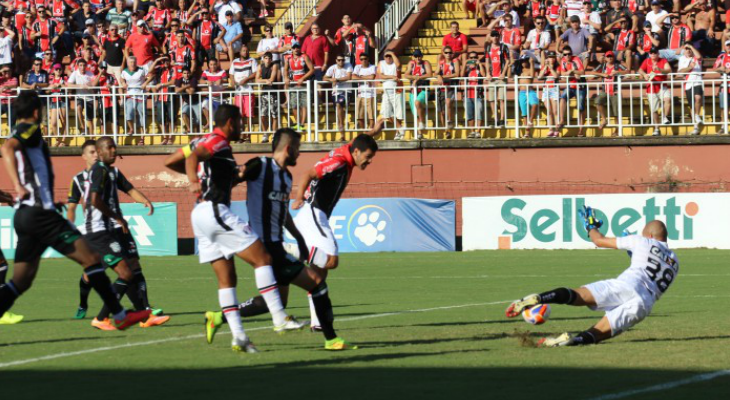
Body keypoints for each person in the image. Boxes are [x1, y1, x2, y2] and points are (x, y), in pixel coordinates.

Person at [0, 91, 150, 330]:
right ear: (37, 111)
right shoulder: (30, 130)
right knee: (91, 259)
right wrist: (18, 185)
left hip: (26, 215)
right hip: (40, 215)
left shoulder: (29, 134)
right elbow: (8, 147)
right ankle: (119, 315)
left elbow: (32, 169)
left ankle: (118, 315)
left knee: (21, 280)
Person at [165, 104, 306, 353]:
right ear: (231, 123)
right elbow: (191, 157)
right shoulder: (218, 141)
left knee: (227, 280)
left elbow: (173, 160)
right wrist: (194, 180)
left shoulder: (205, 141)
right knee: (262, 258)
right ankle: (279, 317)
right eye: (240, 122)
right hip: (215, 210)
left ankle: (239, 337)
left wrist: (203, 174)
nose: (242, 127)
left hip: (201, 215)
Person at [204, 128, 358, 350]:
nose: (299, 153)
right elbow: (231, 181)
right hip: (264, 247)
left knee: (277, 302)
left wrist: (299, 238)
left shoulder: (286, 177)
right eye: (297, 148)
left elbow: (282, 213)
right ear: (288, 148)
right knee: (317, 284)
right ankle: (331, 339)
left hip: (277, 245)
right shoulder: (259, 165)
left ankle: (218, 317)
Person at [506, 209, 678, 347]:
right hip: (643, 304)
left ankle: (540, 298)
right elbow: (650, 268)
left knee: (578, 295)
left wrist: (590, 226)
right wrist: (633, 252)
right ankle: (571, 341)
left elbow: (599, 240)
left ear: (648, 235)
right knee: (598, 333)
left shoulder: (641, 241)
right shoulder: (675, 262)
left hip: (627, 285)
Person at [288, 133, 379, 332]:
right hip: (313, 212)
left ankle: (317, 322)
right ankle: (290, 250)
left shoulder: (348, 152)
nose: (370, 161)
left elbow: (360, 142)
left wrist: (373, 131)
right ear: (356, 151)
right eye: (368, 156)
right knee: (330, 260)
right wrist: (297, 198)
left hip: (313, 214)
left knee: (319, 272)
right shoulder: (338, 162)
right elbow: (308, 174)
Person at [638, 47, 672, 136]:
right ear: (649, 54)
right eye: (651, 53)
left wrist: (659, 69)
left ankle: (664, 117)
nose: (653, 54)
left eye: (654, 53)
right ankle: (657, 128)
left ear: (658, 54)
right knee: (654, 110)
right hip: (651, 88)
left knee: (668, 99)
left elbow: (669, 70)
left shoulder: (663, 60)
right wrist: (644, 74)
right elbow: (640, 70)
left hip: (662, 85)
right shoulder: (647, 61)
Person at [593, 51, 627, 137]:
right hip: (605, 91)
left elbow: (627, 70)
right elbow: (593, 72)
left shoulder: (617, 65)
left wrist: (617, 72)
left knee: (616, 113)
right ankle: (604, 119)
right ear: (605, 58)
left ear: (614, 57)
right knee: (597, 101)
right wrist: (602, 74)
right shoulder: (602, 66)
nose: (610, 58)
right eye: (608, 56)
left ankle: (616, 130)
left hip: (615, 91)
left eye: (611, 56)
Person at [229, 43, 257, 140]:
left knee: (249, 114)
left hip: (248, 91)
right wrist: (232, 82)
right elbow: (231, 74)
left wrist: (246, 79)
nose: (246, 52)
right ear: (240, 52)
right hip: (238, 92)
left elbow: (255, 73)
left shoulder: (252, 60)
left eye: (247, 50)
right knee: (239, 115)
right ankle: (241, 134)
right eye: (244, 51)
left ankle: (248, 135)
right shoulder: (235, 62)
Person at [282, 43, 313, 132]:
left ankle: (302, 124)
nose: (296, 49)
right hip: (294, 84)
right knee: (294, 105)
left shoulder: (304, 56)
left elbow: (311, 69)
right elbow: (285, 69)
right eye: (294, 47)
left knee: (304, 105)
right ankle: (298, 123)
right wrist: (286, 78)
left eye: (297, 47)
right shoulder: (288, 58)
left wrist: (303, 78)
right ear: (291, 49)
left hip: (303, 84)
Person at [557, 46, 588, 137]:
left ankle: (581, 129)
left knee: (581, 107)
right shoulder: (563, 61)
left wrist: (573, 71)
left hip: (580, 86)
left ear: (571, 54)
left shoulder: (576, 59)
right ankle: (562, 120)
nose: (567, 56)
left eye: (569, 54)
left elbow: (582, 72)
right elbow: (562, 73)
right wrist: (571, 73)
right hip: (571, 85)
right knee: (562, 98)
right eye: (565, 54)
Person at [379, 49, 408, 140]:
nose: (388, 57)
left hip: (397, 90)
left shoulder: (395, 62)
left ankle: (397, 133)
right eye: (386, 56)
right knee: (385, 113)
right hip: (386, 91)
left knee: (398, 113)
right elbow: (380, 76)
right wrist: (391, 77)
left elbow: (399, 65)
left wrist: (391, 53)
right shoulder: (381, 63)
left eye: (390, 56)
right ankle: (400, 127)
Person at [484, 30, 511, 128]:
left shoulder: (503, 47)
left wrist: (503, 73)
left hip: (500, 77)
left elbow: (508, 60)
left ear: (499, 37)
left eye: (496, 36)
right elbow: (487, 61)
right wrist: (487, 73)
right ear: (490, 37)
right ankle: (496, 118)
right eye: (493, 36)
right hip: (492, 77)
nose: (495, 37)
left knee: (502, 99)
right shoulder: (488, 48)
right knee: (491, 99)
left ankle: (503, 118)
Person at [120, 55, 150, 143]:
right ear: (127, 63)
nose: (132, 64)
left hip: (140, 96)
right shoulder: (125, 71)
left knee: (142, 117)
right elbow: (121, 79)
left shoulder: (142, 70)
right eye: (130, 62)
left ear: (136, 63)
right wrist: (123, 83)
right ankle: (131, 128)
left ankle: (142, 138)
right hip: (130, 95)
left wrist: (146, 83)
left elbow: (151, 76)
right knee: (128, 114)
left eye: (133, 62)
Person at [324, 53, 353, 141]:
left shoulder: (348, 65)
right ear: (336, 61)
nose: (341, 62)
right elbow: (324, 77)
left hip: (346, 91)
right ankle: (342, 129)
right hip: (335, 92)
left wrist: (337, 80)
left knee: (339, 105)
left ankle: (341, 129)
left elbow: (349, 76)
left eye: (343, 60)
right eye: (339, 60)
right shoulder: (332, 68)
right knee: (339, 109)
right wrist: (331, 79)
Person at [68, 58, 100, 135]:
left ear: (86, 66)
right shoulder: (75, 73)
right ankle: (83, 127)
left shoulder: (90, 73)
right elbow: (69, 84)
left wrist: (89, 85)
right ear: (78, 66)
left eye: (84, 65)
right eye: (80, 65)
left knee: (90, 119)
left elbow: (94, 83)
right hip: (80, 96)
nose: (82, 67)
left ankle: (92, 137)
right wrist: (80, 86)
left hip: (89, 97)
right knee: (78, 108)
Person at [677, 44, 704, 135]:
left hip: (697, 81)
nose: (688, 51)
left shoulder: (696, 57)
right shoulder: (682, 59)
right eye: (686, 49)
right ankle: (696, 127)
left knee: (698, 98)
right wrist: (690, 67)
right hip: (688, 83)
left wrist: (691, 46)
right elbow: (680, 72)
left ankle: (696, 116)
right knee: (692, 105)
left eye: (689, 49)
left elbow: (699, 57)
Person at [255, 52, 280, 142]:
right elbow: (256, 80)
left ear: (271, 59)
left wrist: (264, 80)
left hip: (273, 93)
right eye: (266, 58)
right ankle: (265, 134)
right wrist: (265, 80)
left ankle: (274, 134)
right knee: (263, 115)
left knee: (274, 115)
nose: (268, 60)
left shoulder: (274, 66)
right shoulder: (260, 67)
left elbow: (272, 79)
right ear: (263, 59)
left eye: (269, 58)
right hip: (264, 93)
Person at [436, 46, 460, 137]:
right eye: (446, 52)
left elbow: (457, 73)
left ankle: (450, 120)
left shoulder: (455, 61)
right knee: (442, 112)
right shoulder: (441, 62)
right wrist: (438, 76)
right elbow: (436, 72)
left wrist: (443, 77)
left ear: (452, 54)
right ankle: (446, 130)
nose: (448, 54)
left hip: (451, 87)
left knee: (448, 102)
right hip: (441, 88)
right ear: (443, 53)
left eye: (450, 52)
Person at [462, 51, 487, 139]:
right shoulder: (467, 69)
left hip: (478, 94)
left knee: (479, 112)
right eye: (471, 58)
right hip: (468, 94)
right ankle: (472, 131)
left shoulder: (480, 67)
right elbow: (461, 75)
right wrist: (465, 63)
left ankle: (478, 131)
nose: (473, 60)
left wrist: (479, 64)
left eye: (475, 57)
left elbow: (484, 75)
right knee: (469, 114)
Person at [515, 55, 538, 138]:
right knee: (524, 114)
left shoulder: (530, 69)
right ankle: (527, 133)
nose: (524, 62)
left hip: (530, 91)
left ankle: (530, 121)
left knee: (535, 104)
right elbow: (511, 76)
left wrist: (532, 63)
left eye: (525, 61)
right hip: (521, 93)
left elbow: (532, 75)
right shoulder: (519, 70)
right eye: (522, 61)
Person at [352, 53, 377, 131]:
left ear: (368, 59)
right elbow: (353, 77)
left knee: (371, 117)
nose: (363, 61)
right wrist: (366, 79)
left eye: (365, 59)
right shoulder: (357, 67)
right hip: (360, 94)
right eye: (361, 59)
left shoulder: (372, 67)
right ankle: (364, 132)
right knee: (359, 117)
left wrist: (360, 77)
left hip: (371, 94)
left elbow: (372, 77)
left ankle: (370, 133)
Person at [539, 51, 561, 137]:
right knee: (549, 111)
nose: (551, 59)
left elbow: (556, 76)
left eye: (552, 57)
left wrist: (551, 68)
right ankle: (551, 129)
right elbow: (540, 77)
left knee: (555, 111)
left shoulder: (557, 67)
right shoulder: (544, 67)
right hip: (546, 90)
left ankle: (557, 129)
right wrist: (545, 67)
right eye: (549, 57)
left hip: (554, 89)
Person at [175, 67, 201, 133]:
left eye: (188, 73)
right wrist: (186, 87)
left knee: (197, 120)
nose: (186, 75)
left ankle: (198, 135)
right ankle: (189, 129)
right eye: (185, 73)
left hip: (196, 102)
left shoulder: (193, 79)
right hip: (187, 102)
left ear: (190, 73)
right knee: (183, 113)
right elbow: (176, 91)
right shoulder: (180, 80)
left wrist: (184, 87)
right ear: (182, 74)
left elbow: (191, 92)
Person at [47, 64, 67, 145]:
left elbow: (68, 88)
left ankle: (63, 141)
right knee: (53, 123)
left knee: (64, 122)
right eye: (56, 69)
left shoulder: (64, 78)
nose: (58, 71)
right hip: (54, 101)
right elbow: (47, 91)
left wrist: (61, 85)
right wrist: (52, 87)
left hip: (62, 100)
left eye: (59, 69)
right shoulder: (51, 80)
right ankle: (58, 139)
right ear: (53, 71)